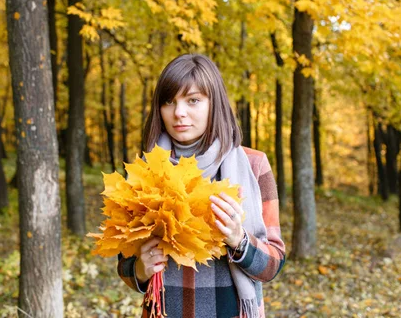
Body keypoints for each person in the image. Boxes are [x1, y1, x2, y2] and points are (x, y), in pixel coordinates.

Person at [117, 54, 285, 318]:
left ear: (213, 103)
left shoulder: (254, 166)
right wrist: (139, 268)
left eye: (193, 100)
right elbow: (125, 265)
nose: (179, 112)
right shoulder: (146, 171)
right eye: (169, 101)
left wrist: (238, 239)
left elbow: (273, 263)